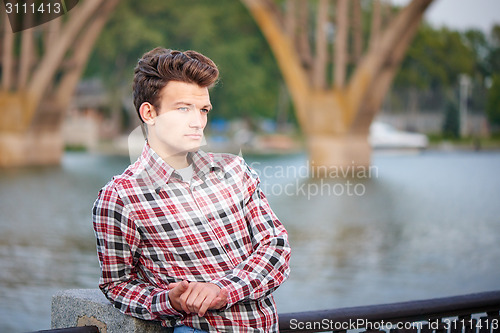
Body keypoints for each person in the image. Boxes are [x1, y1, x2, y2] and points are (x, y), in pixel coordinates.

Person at [92, 47, 291, 333]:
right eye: (183, 108)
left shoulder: (236, 170)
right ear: (149, 113)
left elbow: (276, 245)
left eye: (203, 110)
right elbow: (117, 285)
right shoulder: (121, 197)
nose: (198, 122)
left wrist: (223, 290)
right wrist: (167, 301)